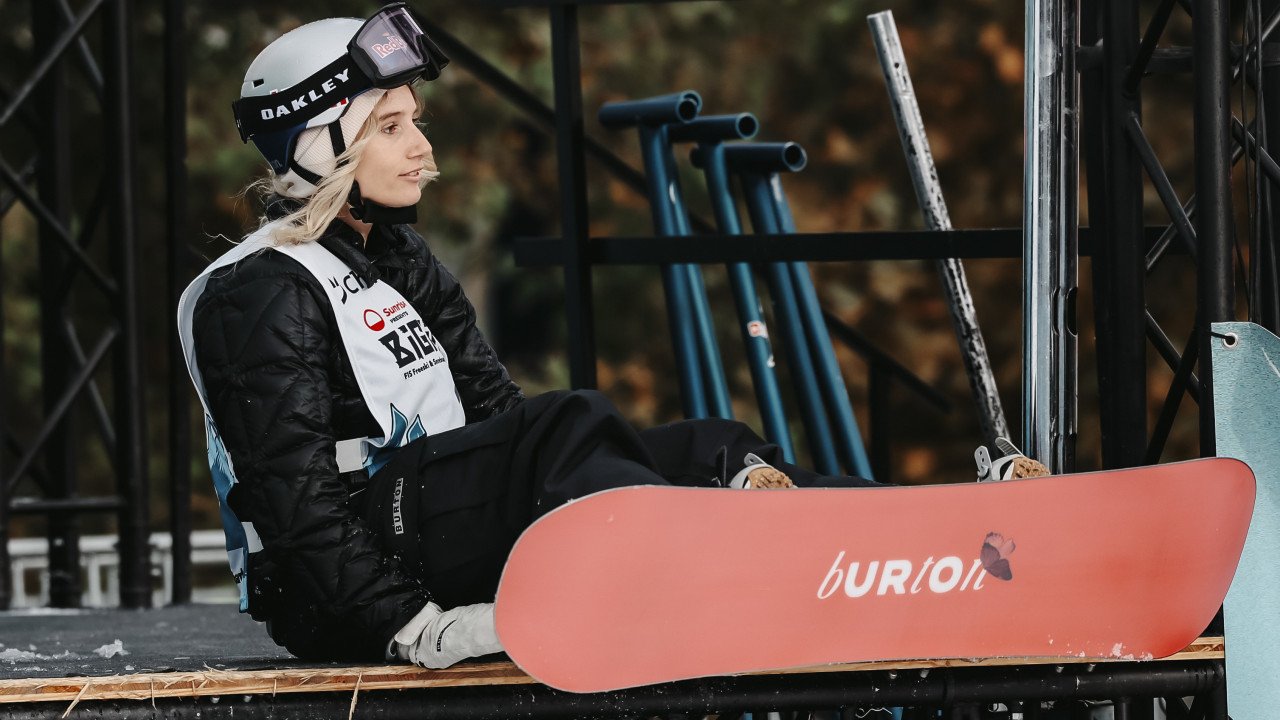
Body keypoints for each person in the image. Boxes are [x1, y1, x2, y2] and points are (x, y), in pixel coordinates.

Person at [178, 4, 1041, 671]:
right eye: (392, 127)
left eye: (416, 121)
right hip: (357, 588)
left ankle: (921, 538)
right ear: (320, 143)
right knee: (570, 426)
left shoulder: (399, 259)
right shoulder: (256, 292)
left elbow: (495, 420)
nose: (421, 147)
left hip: (433, 521)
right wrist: (410, 628)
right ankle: (719, 557)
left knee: (702, 441)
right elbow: (294, 505)